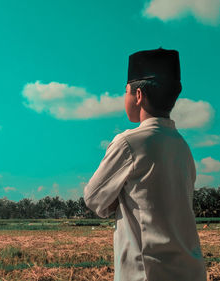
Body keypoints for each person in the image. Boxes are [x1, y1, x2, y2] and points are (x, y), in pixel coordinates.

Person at [83, 48, 206, 281]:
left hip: (147, 273)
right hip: (191, 271)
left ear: (138, 95)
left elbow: (94, 197)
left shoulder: (129, 143)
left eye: (126, 91)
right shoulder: (181, 145)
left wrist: (119, 197)